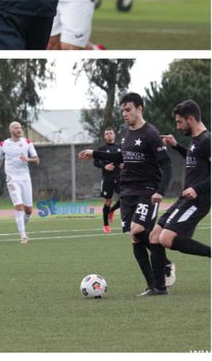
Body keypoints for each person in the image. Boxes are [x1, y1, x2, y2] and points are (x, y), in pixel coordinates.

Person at [79, 93, 174, 296]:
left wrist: (160, 190)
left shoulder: (150, 133)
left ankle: (164, 264)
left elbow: (167, 165)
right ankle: (154, 286)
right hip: (127, 191)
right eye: (122, 110)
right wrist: (95, 153)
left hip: (147, 191)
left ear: (140, 109)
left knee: (138, 229)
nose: (124, 113)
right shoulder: (125, 133)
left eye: (128, 109)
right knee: (135, 237)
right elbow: (119, 156)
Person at [152, 99, 210, 259]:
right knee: (155, 236)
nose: (177, 127)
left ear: (191, 119)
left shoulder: (208, 140)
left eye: (179, 122)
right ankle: (159, 284)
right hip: (186, 198)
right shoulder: (196, 140)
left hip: (199, 200)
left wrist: (197, 189)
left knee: (165, 238)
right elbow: (196, 159)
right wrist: (176, 146)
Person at [0, 121, 39, 243]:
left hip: (25, 178)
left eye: (20, 128)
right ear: (11, 130)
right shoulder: (4, 144)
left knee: (28, 210)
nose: (19, 130)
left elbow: (37, 160)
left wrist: (27, 159)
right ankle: (23, 236)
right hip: (12, 179)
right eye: (16, 128)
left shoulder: (27, 143)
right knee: (18, 205)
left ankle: (23, 229)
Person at [93, 127, 121, 233]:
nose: (109, 135)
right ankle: (105, 224)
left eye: (111, 133)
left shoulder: (120, 147)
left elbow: (125, 159)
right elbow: (95, 162)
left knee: (125, 197)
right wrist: (105, 167)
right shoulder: (101, 149)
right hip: (107, 178)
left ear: (114, 135)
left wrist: (124, 164)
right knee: (108, 200)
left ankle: (112, 210)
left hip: (120, 178)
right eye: (107, 133)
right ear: (105, 136)